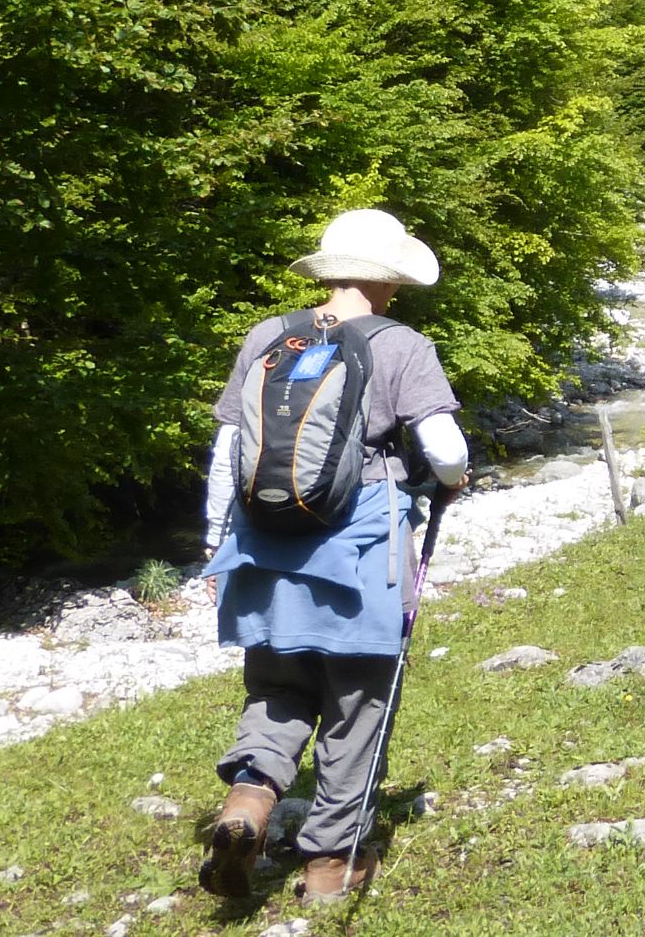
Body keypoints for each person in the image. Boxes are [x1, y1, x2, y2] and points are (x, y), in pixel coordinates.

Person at [197, 209, 472, 904]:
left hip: (262, 552)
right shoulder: (401, 344)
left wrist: (215, 543)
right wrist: (452, 481)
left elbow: (228, 452)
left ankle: (250, 803)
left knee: (277, 689)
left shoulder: (269, 334)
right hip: (359, 554)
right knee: (358, 704)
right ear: (389, 280)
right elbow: (444, 448)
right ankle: (329, 866)